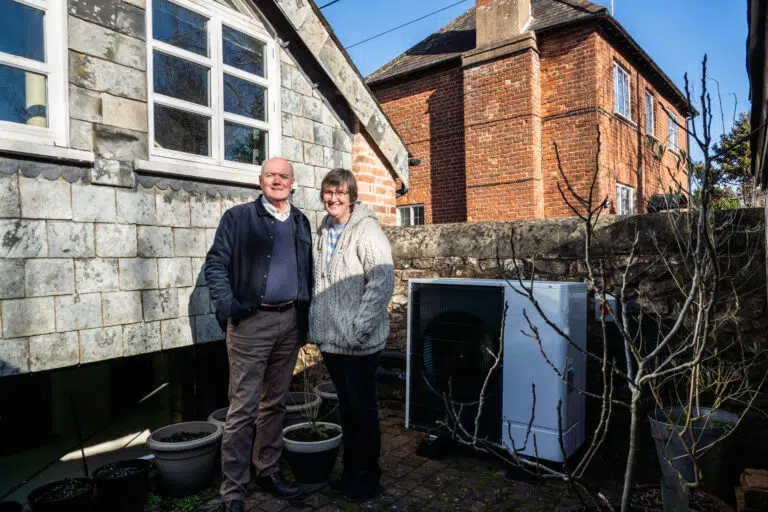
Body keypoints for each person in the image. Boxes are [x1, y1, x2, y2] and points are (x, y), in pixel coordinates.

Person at [205, 157, 313, 512]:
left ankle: (266, 470)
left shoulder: (301, 221)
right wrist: (228, 306)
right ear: (260, 180)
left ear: (293, 183)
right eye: (270, 175)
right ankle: (233, 489)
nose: (277, 181)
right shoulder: (238, 218)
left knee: (276, 403)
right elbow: (216, 264)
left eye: (284, 176)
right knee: (243, 408)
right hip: (252, 324)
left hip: (289, 323)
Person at [309, 168, 395, 501]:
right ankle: (350, 472)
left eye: (340, 193)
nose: (333, 198)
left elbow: (382, 282)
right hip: (332, 340)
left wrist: (360, 328)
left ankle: (368, 477)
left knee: (363, 409)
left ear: (351, 197)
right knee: (346, 409)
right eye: (328, 192)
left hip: (359, 342)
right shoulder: (324, 229)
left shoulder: (367, 231)